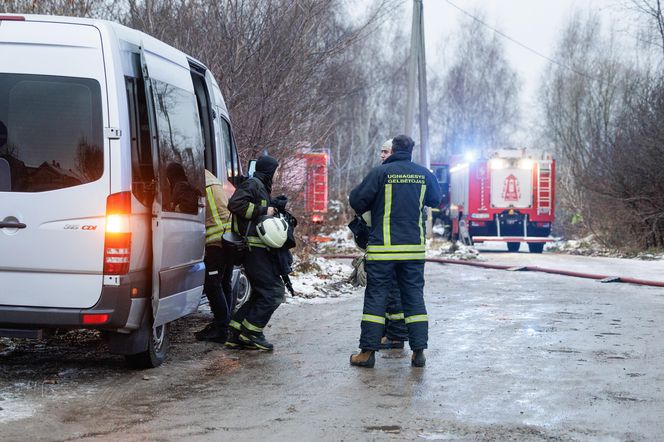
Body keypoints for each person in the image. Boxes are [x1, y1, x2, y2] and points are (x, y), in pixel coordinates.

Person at [348, 135, 442, 368]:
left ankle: (367, 353)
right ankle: (418, 352)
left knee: (376, 298)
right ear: (411, 151)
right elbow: (437, 199)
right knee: (413, 298)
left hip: (383, 250)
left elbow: (357, 201)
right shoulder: (424, 174)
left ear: (393, 150)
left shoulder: (380, 173)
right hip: (413, 251)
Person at [225, 155, 286, 351]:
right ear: (268, 171)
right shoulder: (253, 183)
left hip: (259, 250)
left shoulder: (260, 185)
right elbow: (235, 205)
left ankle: (236, 333)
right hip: (254, 250)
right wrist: (263, 210)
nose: (275, 175)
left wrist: (273, 204)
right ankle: (252, 332)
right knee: (273, 292)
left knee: (260, 292)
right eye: (274, 171)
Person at [194, 169, 236, 343]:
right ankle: (225, 324)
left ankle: (221, 329)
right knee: (224, 282)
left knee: (213, 285)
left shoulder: (198, 181)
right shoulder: (213, 180)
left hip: (216, 242)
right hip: (229, 239)